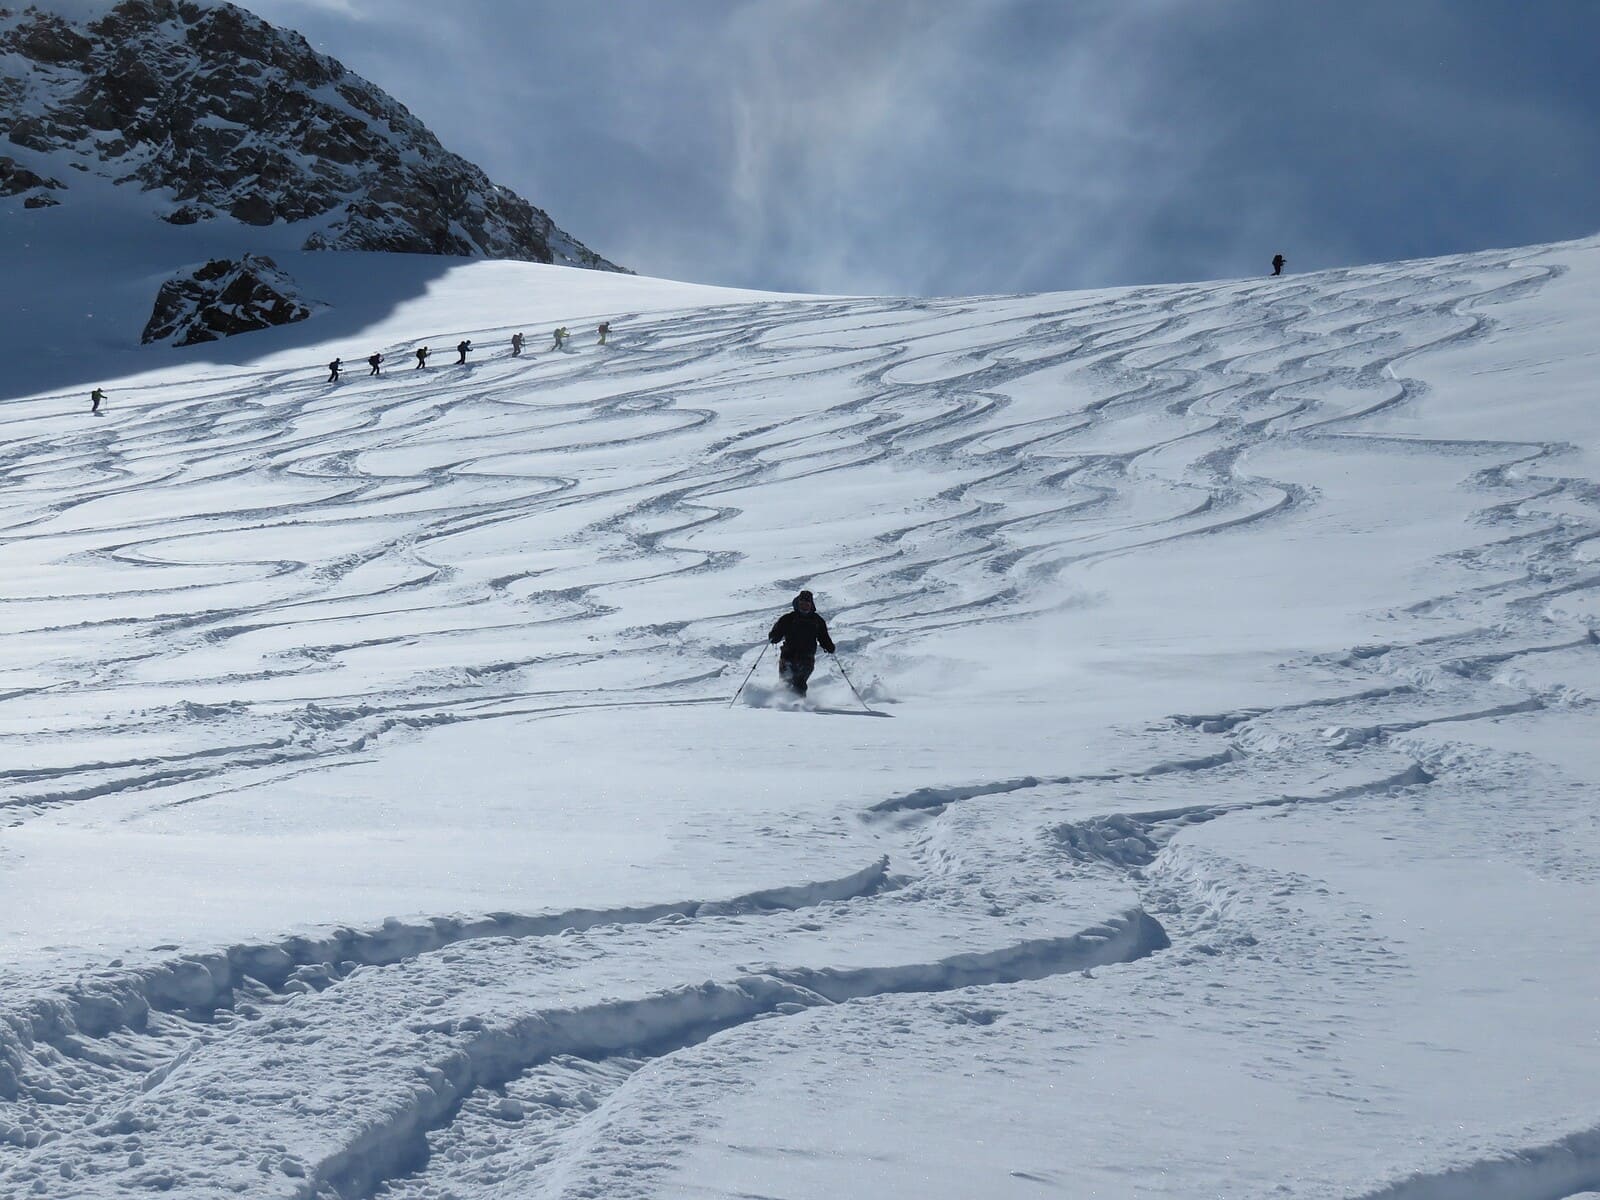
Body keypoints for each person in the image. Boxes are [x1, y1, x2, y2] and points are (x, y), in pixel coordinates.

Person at [767, 589, 835, 697]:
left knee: (799, 682)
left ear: (811, 605)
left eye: (807, 604)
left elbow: (824, 637)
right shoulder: (788, 618)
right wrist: (774, 637)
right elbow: (777, 632)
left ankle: (799, 703)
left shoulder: (817, 621)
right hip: (788, 656)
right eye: (802, 604)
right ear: (798, 604)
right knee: (786, 682)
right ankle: (781, 701)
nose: (804, 607)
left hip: (807, 657)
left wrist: (829, 646)